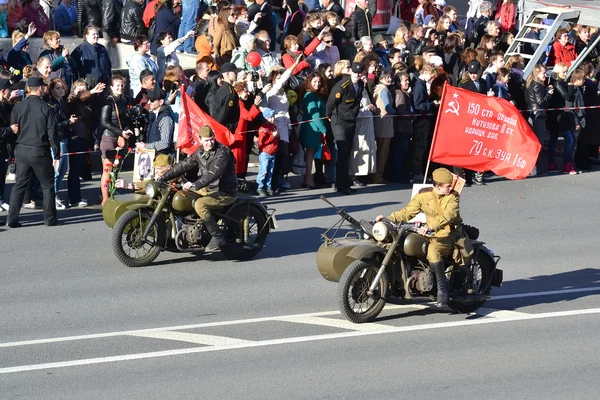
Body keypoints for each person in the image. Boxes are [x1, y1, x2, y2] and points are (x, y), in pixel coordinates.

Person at [375, 168, 461, 306]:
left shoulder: (453, 196)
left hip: (448, 234)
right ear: (438, 186)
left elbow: (449, 215)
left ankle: (442, 291)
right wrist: (388, 219)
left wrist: (432, 227)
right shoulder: (424, 195)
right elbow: (408, 212)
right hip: (427, 232)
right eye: (448, 186)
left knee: (433, 250)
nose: (451, 188)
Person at [156, 125, 237, 252]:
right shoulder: (200, 151)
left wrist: (196, 184)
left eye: (211, 139)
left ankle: (217, 236)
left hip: (223, 191)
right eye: (206, 140)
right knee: (177, 194)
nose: (209, 143)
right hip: (207, 188)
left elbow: (214, 173)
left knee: (200, 205)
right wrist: (164, 177)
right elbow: (184, 165)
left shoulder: (223, 152)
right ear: (200, 139)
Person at [6, 77, 58, 228]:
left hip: (22, 149)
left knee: (19, 185)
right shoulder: (47, 108)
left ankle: (12, 219)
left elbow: (14, 130)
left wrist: (12, 153)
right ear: (40, 88)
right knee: (47, 185)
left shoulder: (18, 107)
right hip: (40, 150)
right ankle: (50, 219)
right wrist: (57, 152)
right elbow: (52, 134)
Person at [326, 61, 364, 195]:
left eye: (360, 73)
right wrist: (329, 116)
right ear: (351, 72)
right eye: (355, 73)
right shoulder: (342, 86)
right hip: (339, 120)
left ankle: (342, 182)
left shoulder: (361, 84)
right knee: (342, 151)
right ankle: (342, 185)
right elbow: (331, 102)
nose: (357, 76)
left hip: (351, 121)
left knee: (347, 153)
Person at [100, 75, 133, 206]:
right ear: (111, 87)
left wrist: (127, 130)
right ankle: (105, 199)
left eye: (122, 85)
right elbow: (104, 121)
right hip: (109, 137)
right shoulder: (108, 101)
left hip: (120, 137)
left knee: (116, 167)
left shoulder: (123, 100)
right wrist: (121, 132)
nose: (120, 87)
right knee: (107, 169)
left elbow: (125, 119)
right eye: (117, 85)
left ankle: (112, 192)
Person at [299, 72, 328, 189]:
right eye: (314, 81)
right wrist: (324, 129)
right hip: (312, 129)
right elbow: (315, 115)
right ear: (309, 82)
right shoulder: (309, 95)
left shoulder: (315, 95)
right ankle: (308, 180)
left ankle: (309, 179)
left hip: (315, 128)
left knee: (311, 155)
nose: (317, 84)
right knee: (310, 155)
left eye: (319, 81)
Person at [136, 88, 175, 155]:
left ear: (161, 102)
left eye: (152, 101)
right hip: (151, 155)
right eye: (148, 100)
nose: (149, 103)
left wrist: (146, 146)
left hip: (161, 157)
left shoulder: (166, 118)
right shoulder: (152, 115)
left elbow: (164, 143)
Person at [256, 108, 278, 196]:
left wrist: (276, 136)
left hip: (273, 152)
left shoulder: (273, 127)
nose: (273, 118)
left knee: (270, 171)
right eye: (271, 117)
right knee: (263, 171)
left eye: (273, 116)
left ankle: (268, 186)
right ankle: (259, 187)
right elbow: (261, 143)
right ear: (266, 118)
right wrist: (273, 136)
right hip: (265, 153)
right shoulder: (263, 129)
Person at [214, 62, 241, 135]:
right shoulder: (229, 92)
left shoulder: (222, 88)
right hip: (227, 128)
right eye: (235, 72)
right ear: (227, 74)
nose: (237, 74)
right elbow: (224, 113)